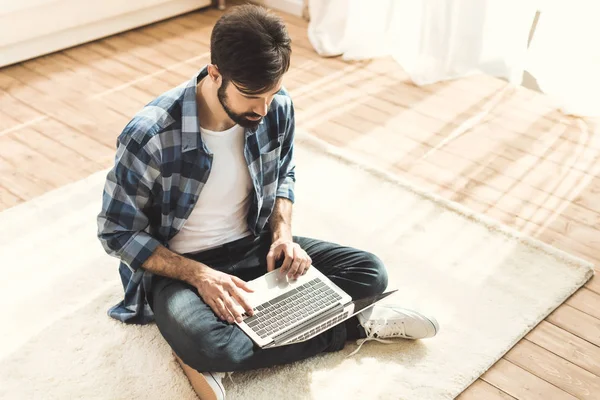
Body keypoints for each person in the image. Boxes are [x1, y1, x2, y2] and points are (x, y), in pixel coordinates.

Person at [97, 4, 439, 399]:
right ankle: (352, 327)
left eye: (272, 92)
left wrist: (283, 235)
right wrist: (199, 275)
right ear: (215, 73)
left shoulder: (276, 107)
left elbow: (284, 177)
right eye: (250, 95)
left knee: (369, 273)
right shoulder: (150, 133)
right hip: (183, 268)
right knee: (206, 342)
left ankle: (243, 348)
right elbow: (116, 232)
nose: (262, 108)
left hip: (257, 246)